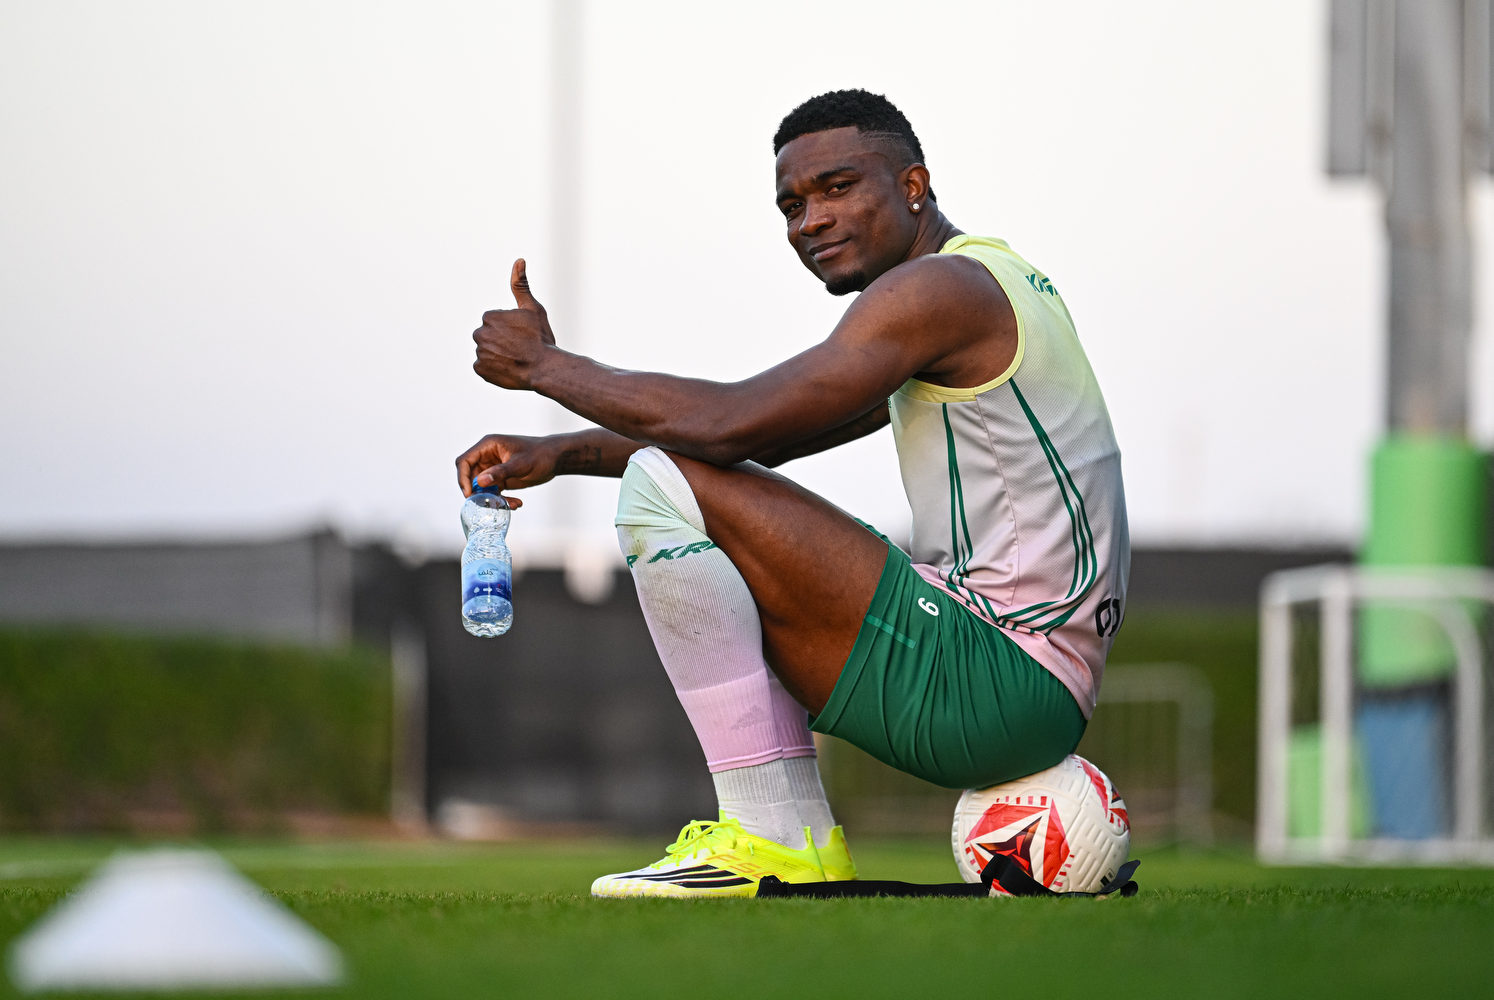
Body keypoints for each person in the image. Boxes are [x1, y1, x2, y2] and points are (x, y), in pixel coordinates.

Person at [456, 89, 1129, 897]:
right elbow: (765, 439)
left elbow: (730, 425)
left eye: (838, 187)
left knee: (663, 488)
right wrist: (563, 453)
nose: (811, 220)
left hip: (998, 675)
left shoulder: (937, 291)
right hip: (1033, 682)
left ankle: (774, 834)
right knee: (698, 495)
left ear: (913, 186)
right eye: (792, 205)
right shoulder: (996, 279)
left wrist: (545, 369)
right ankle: (789, 837)